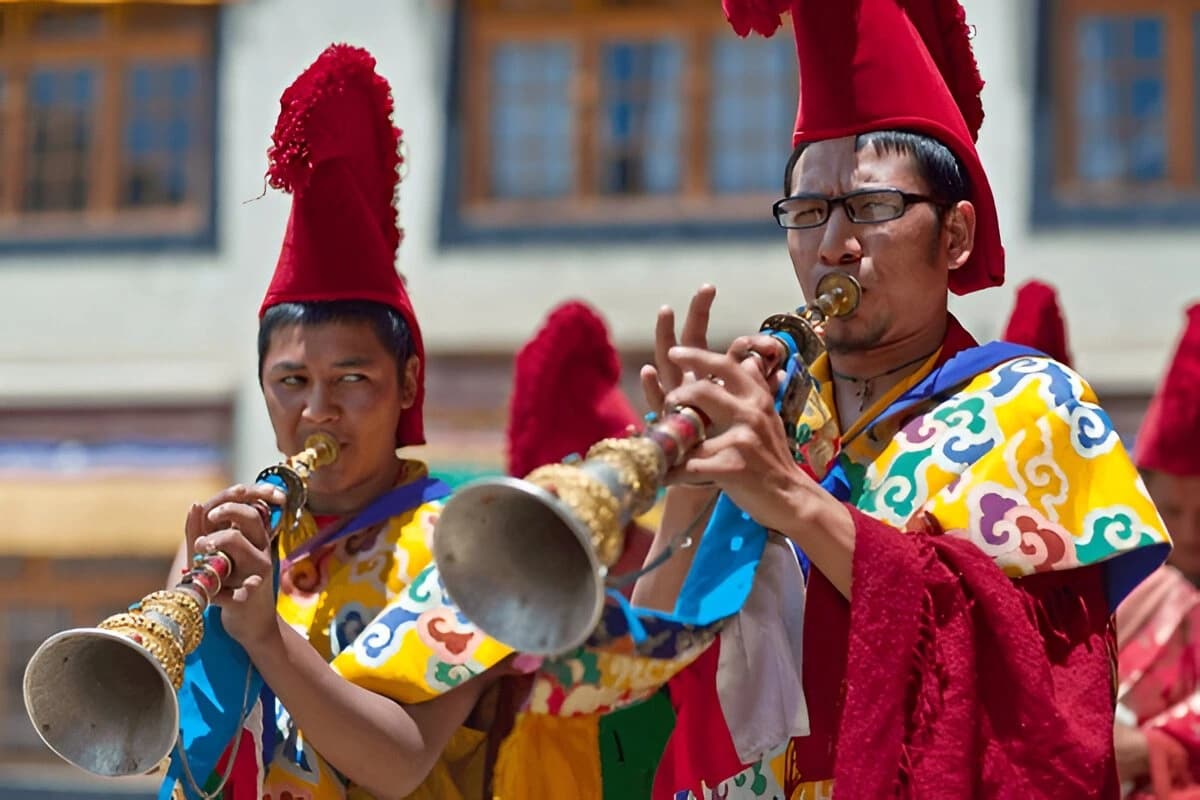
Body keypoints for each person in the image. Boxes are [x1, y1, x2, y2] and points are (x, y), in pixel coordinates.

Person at [614, 0, 1170, 797]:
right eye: (807, 213)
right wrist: (693, 492)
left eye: (872, 208)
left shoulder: (1029, 403)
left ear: (956, 237)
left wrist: (789, 499)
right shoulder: (773, 415)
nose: (833, 245)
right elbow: (646, 671)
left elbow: (1034, 696)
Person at [159, 44, 512, 800]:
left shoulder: (473, 539)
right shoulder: (240, 536)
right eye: (292, 381)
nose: (317, 410)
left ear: (408, 381)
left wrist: (265, 636)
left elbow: (400, 760)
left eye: (353, 378)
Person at [1114, 303, 1200, 799]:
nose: (1187, 533)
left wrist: (1152, 749)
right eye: (1172, 511)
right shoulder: (1124, 586)